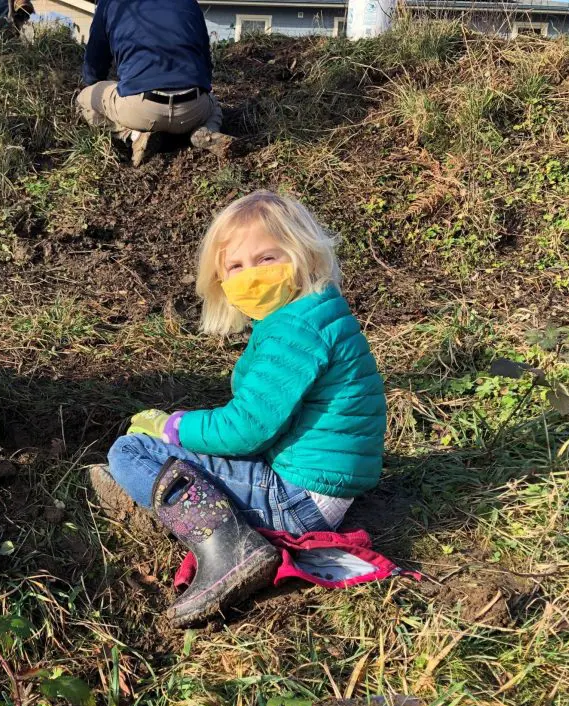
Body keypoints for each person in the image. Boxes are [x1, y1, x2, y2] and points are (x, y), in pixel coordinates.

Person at [90, 191, 387, 626]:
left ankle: (227, 548)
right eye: (236, 266)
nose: (251, 275)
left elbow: (246, 429)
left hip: (298, 499)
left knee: (129, 452)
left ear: (303, 254)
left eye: (267, 259)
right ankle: (157, 498)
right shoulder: (315, 314)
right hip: (322, 485)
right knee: (171, 450)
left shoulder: (296, 330)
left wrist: (172, 428)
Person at [76, 0, 234, 166]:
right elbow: (205, 64)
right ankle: (206, 131)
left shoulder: (111, 3)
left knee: (83, 99)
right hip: (192, 108)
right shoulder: (189, 2)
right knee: (212, 102)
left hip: (139, 109)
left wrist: (100, 84)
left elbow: (94, 66)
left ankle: (133, 135)